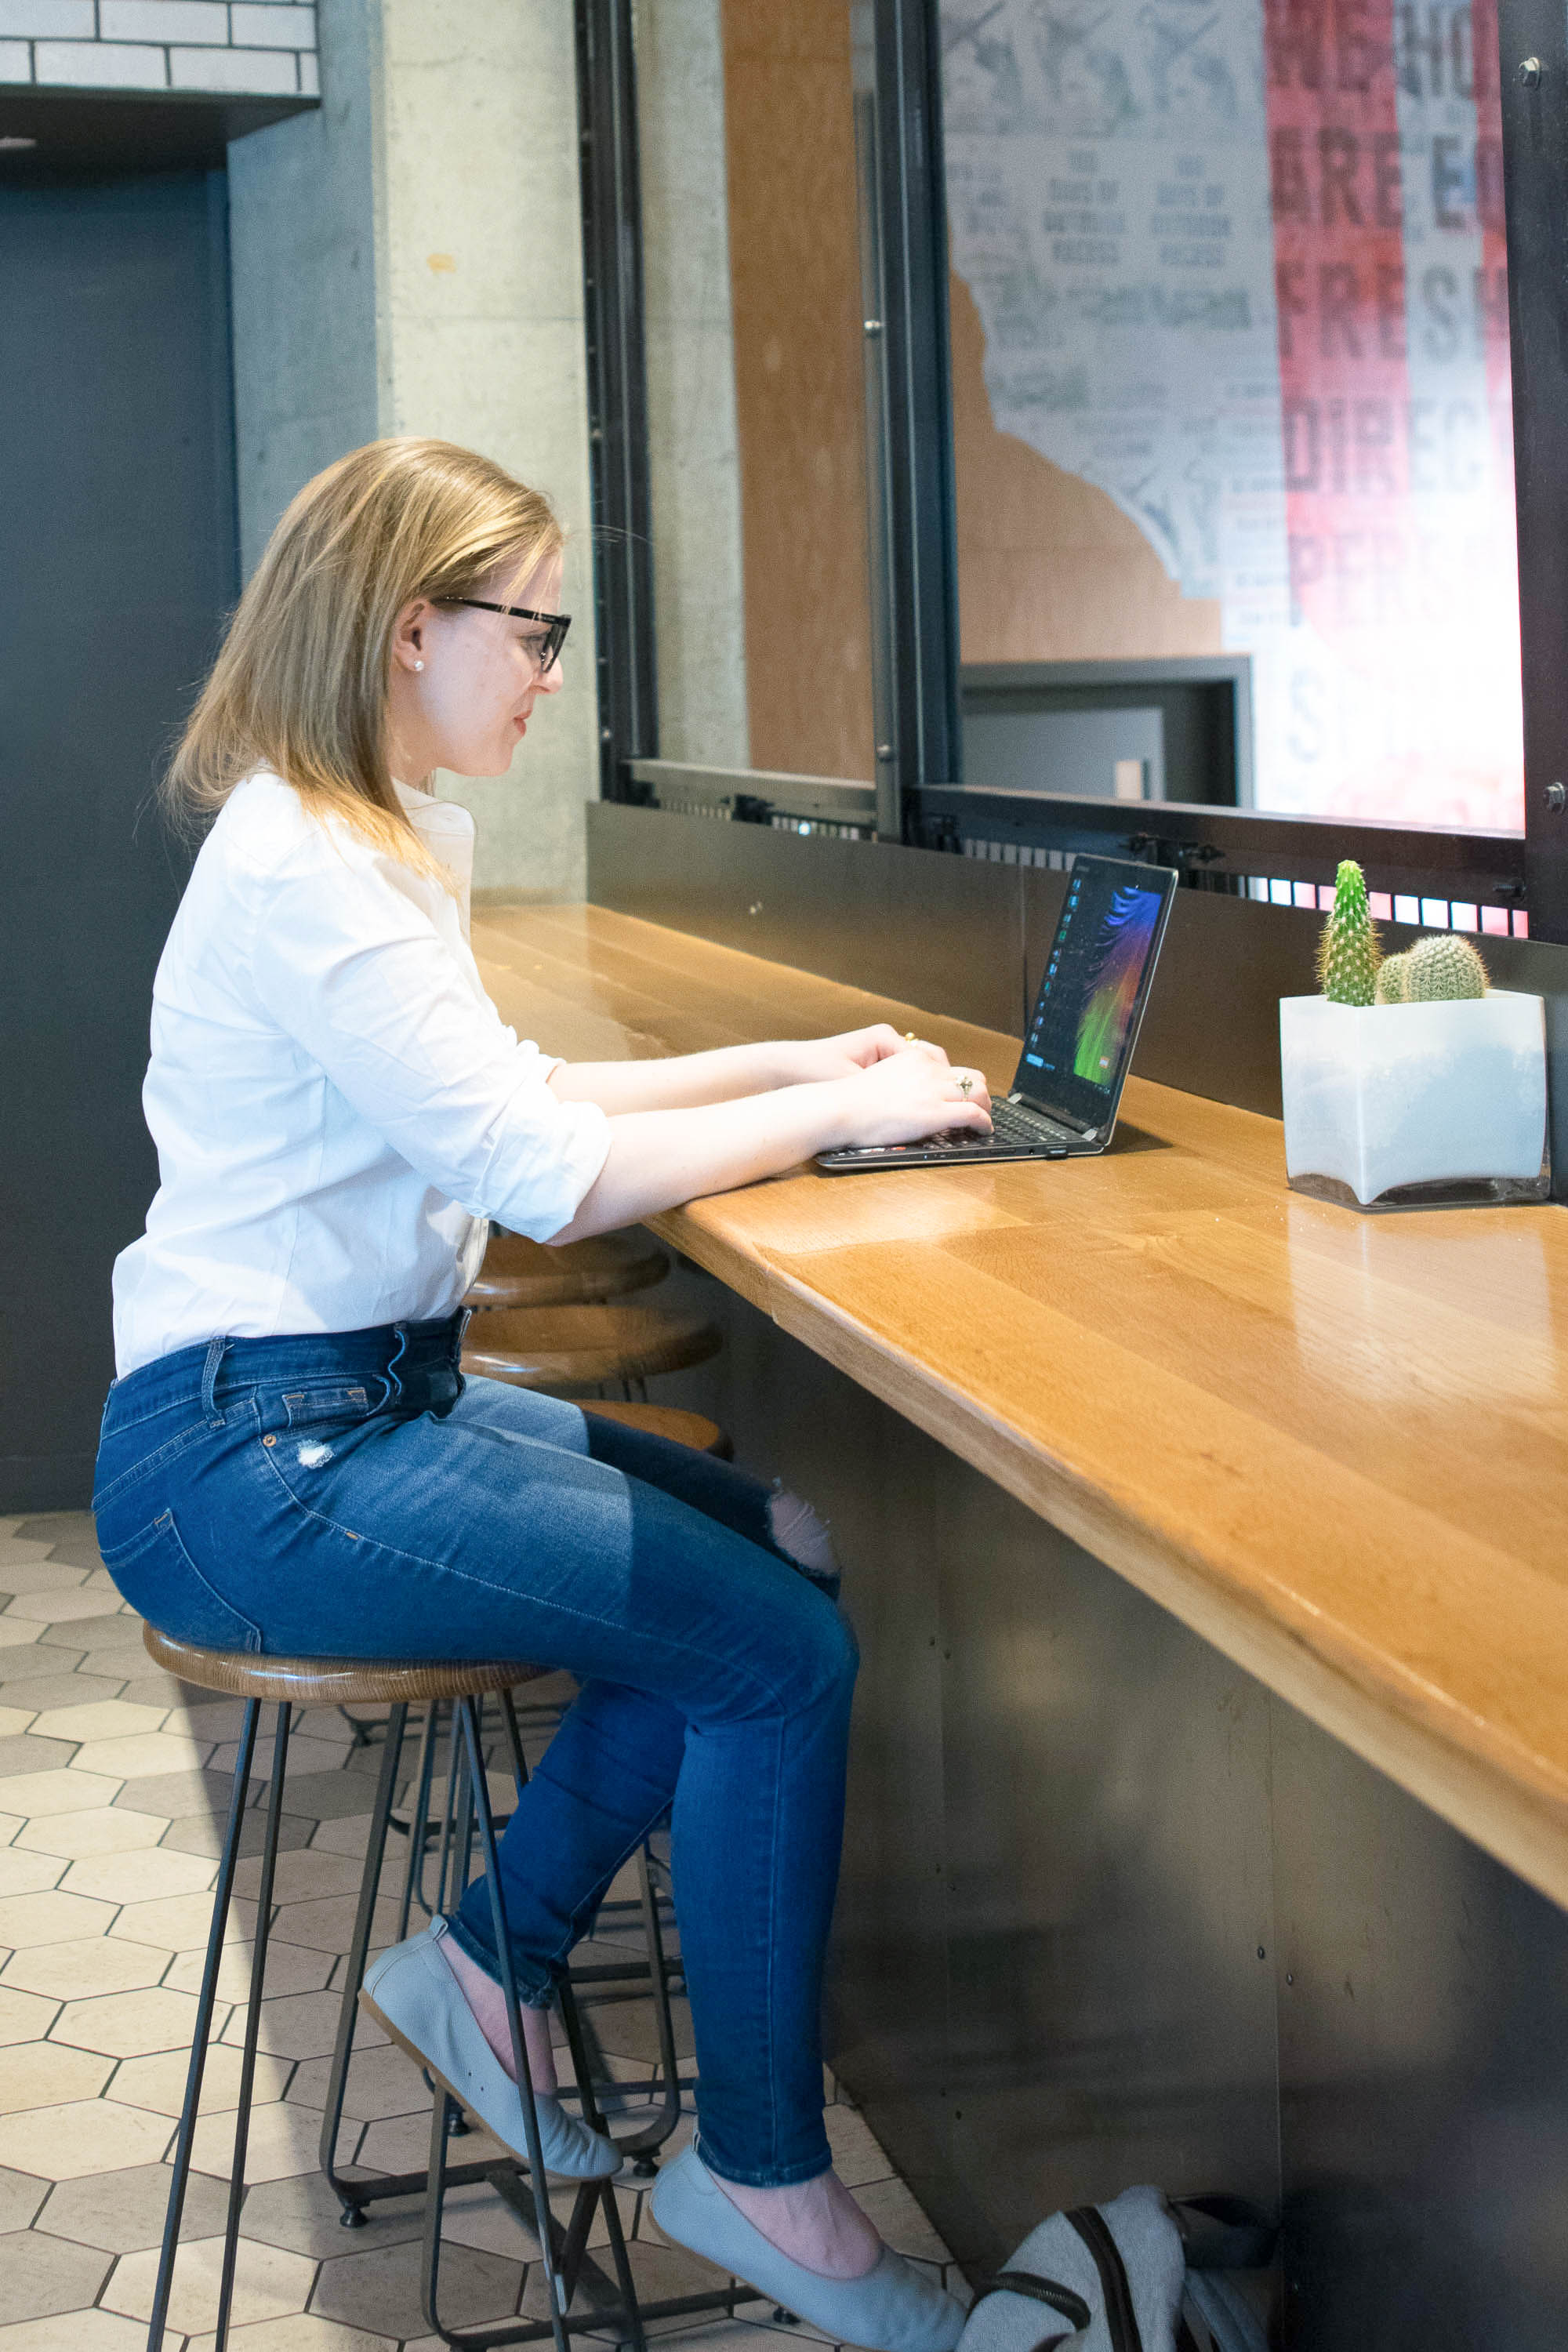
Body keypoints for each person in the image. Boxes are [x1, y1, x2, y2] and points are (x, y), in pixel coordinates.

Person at [93, 439, 992, 2352]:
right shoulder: (308, 858)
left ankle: (484, 1973)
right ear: (411, 628)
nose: (552, 671)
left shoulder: (385, 829)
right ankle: (761, 2181)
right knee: (777, 1658)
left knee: (780, 1554)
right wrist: (843, 1112)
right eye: (536, 630)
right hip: (259, 1455)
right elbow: (543, 1176)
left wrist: (802, 1056)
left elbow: (518, 1096)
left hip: (356, 1403)